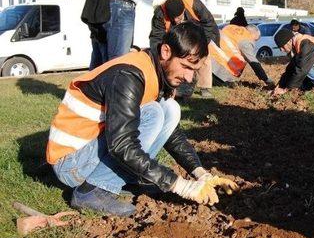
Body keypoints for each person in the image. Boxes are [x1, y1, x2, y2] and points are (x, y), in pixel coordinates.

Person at [46, 23, 238, 216]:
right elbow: (122, 145)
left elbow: (172, 134)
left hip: (87, 153)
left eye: (194, 70)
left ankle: (124, 178)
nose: (189, 78)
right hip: (71, 164)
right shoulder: (128, 75)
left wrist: (200, 173)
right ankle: (92, 192)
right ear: (165, 51)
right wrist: (179, 185)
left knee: (170, 109)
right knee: (153, 113)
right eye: (186, 67)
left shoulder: (155, 70)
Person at [149, 0, 220, 97]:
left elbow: (208, 22)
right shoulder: (160, 13)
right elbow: (156, 37)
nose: (175, 21)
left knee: (204, 58)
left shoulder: (193, 3)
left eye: (178, 17)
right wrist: (159, 56)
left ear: (183, 10)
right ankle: (166, 85)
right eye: (172, 18)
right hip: (175, 38)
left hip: (196, 33)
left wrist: (202, 43)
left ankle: (204, 87)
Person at [209, 24, 274, 87]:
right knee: (229, 85)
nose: (254, 42)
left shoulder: (230, 27)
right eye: (255, 40)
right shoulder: (246, 40)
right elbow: (254, 62)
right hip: (217, 69)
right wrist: (266, 79)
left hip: (207, 58)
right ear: (253, 33)